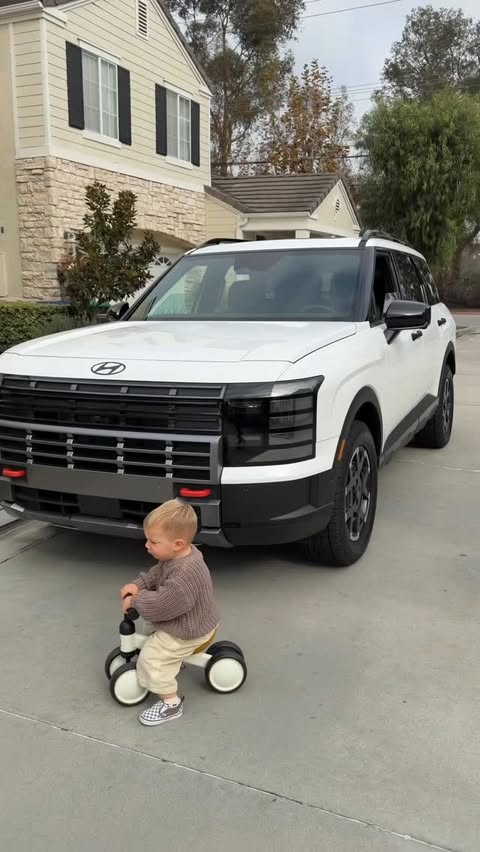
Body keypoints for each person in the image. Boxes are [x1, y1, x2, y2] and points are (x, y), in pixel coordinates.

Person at [121, 499, 220, 727]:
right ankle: (172, 661)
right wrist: (139, 585)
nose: (147, 545)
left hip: (189, 630)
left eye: (153, 541)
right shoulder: (178, 556)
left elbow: (165, 603)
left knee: (152, 658)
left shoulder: (186, 572)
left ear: (177, 543)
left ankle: (171, 704)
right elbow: (158, 574)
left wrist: (135, 600)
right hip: (185, 622)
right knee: (149, 630)